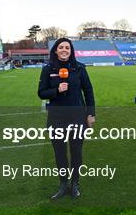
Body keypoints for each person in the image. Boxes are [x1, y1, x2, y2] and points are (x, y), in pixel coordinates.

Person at [38, 38, 95, 199]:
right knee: (60, 153)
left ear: (71, 51)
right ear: (55, 50)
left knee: (76, 152)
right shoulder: (48, 69)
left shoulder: (79, 68)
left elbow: (88, 92)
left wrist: (91, 114)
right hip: (57, 118)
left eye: (67, 48)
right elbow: (41, 92)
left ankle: (75, 183)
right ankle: (63, 184)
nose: (64, 50)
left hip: (77, 117)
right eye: (61, 47)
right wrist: (56, 90)